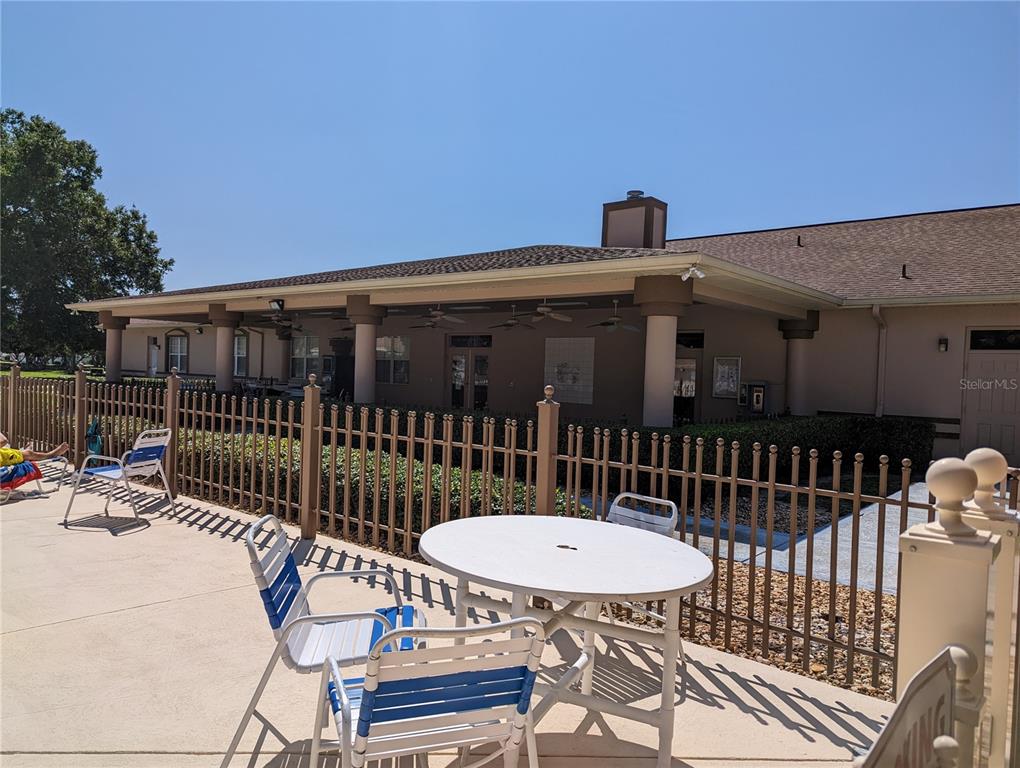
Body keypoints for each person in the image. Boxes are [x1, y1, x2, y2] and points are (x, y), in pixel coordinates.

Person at [0, 431, 69, 466]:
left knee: (22, 453)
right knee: (28, 454)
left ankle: (24, 451)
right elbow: (4, 441)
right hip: (4, 459)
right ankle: (51, 454)